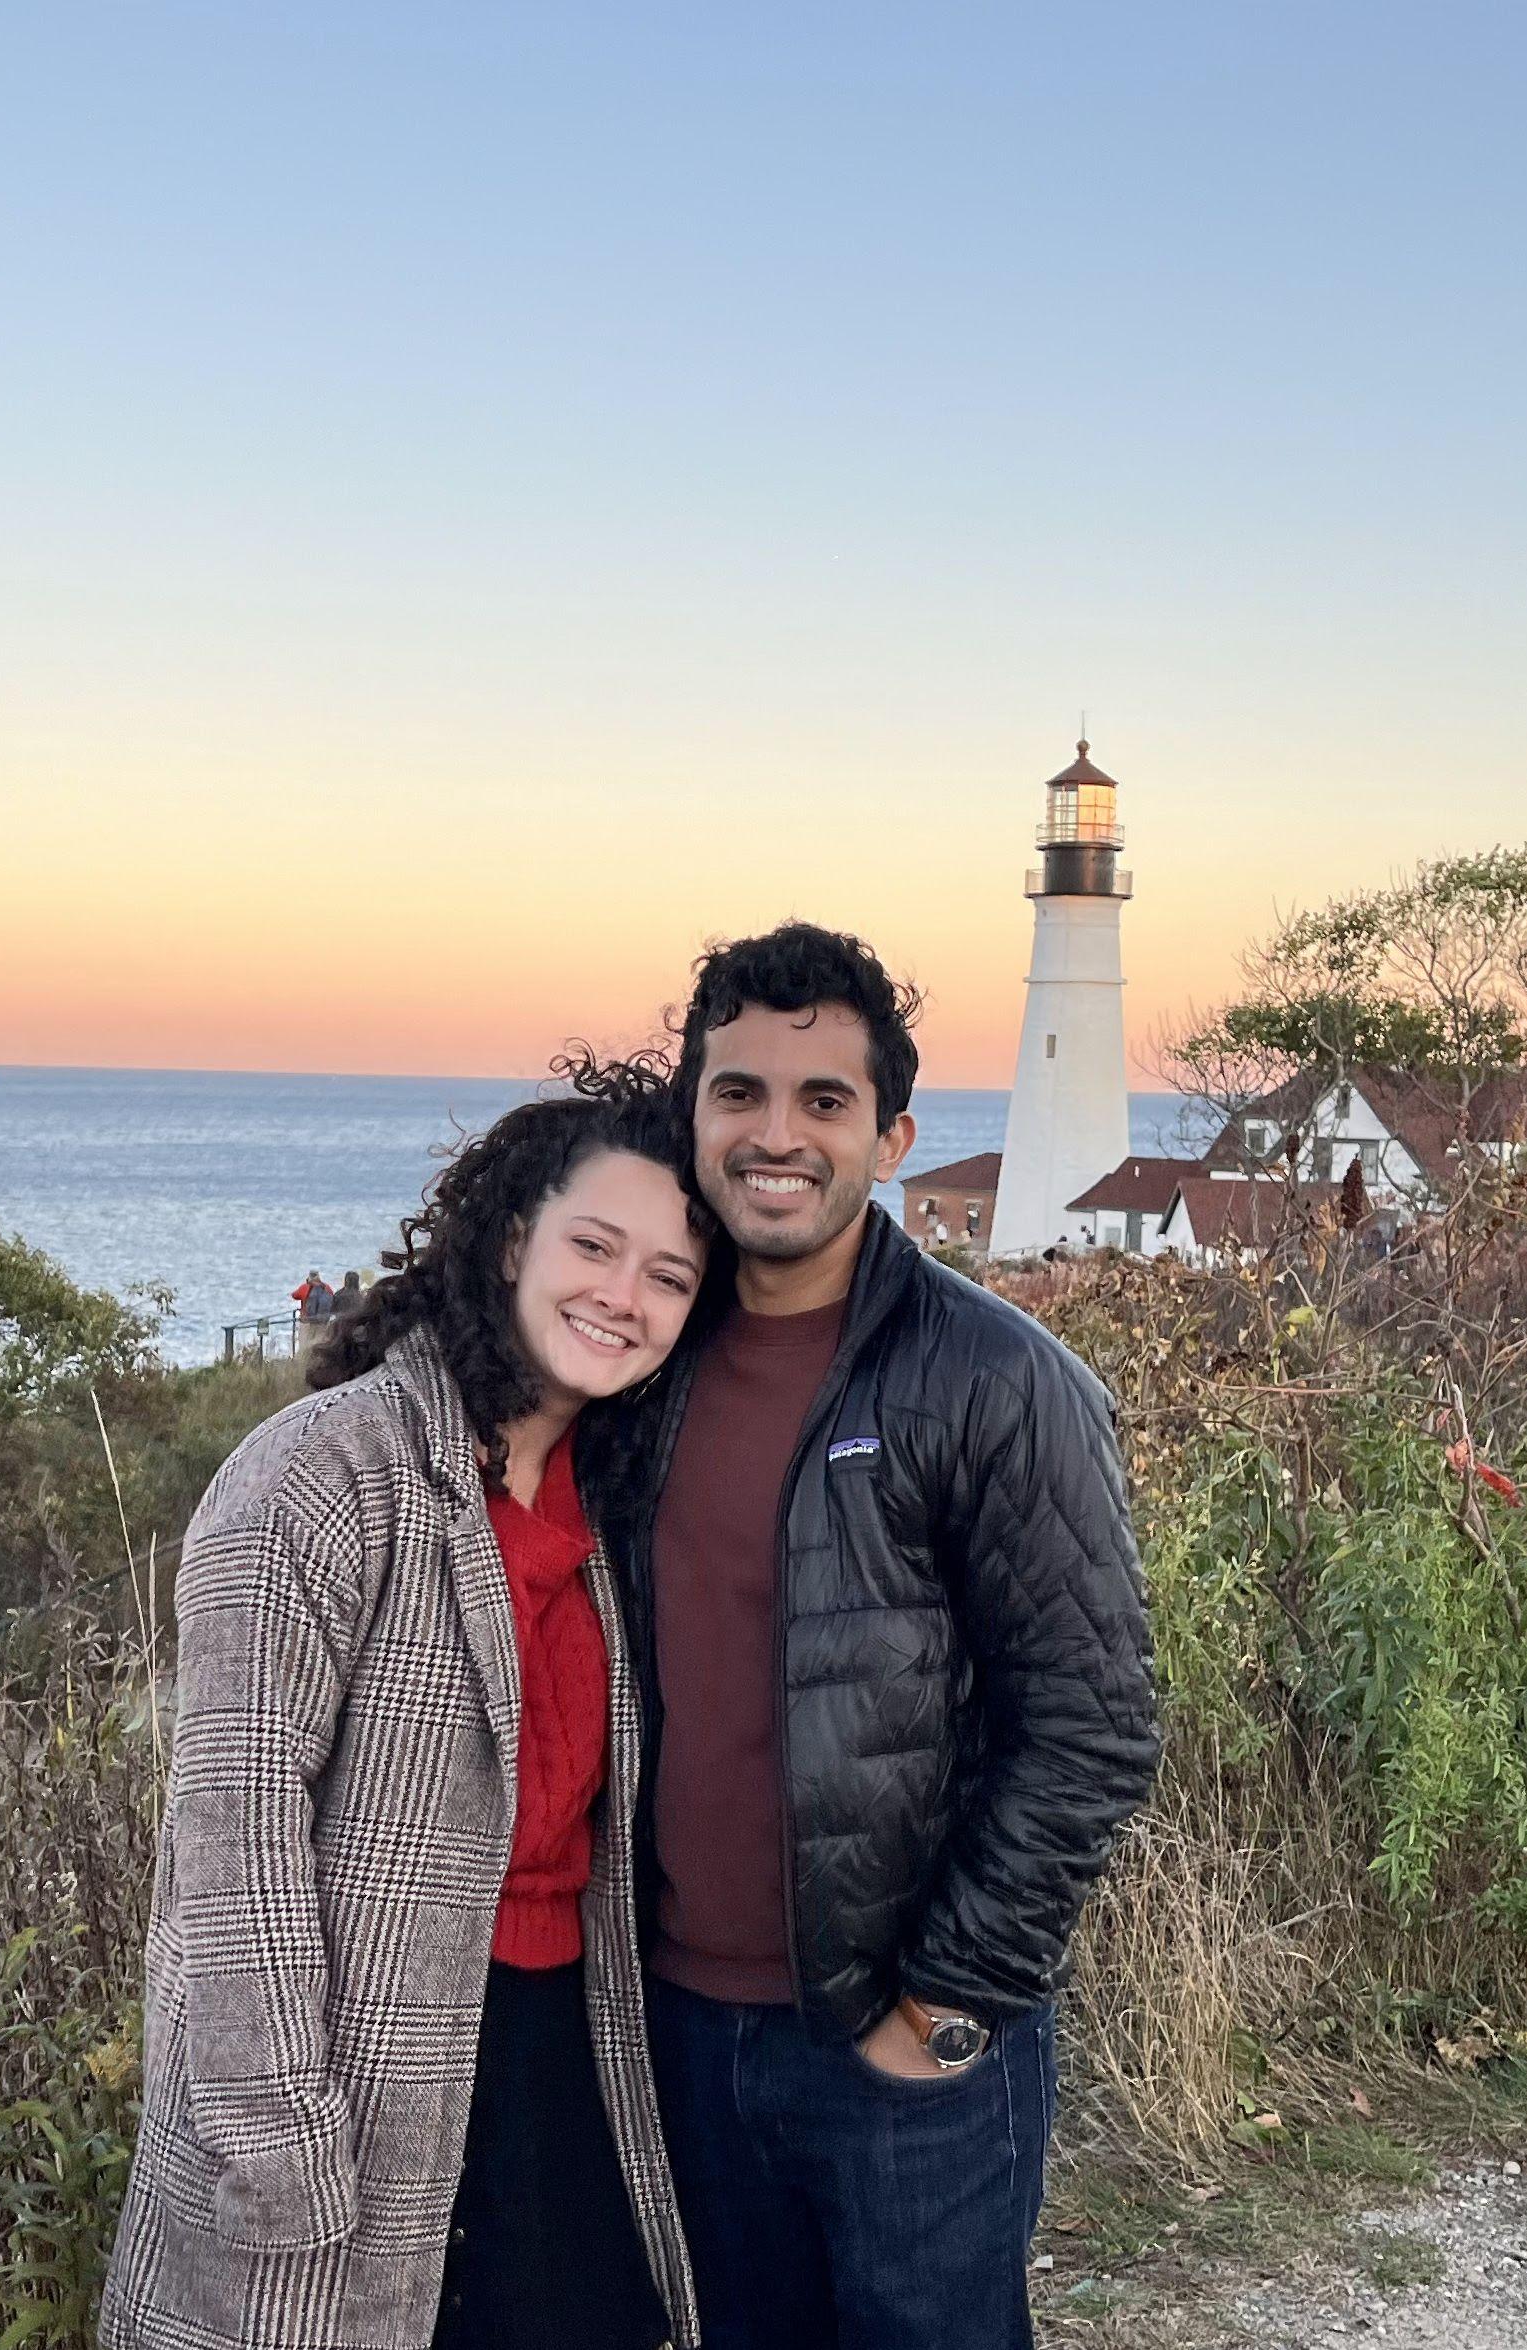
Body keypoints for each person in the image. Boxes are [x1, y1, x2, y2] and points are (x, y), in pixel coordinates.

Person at [587, 922, 1159, 2350]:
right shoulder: (637, 1363)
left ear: (890, 1139)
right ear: (693, 1116)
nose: (777, 1135)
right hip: (677, 2028)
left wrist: (947, 2002)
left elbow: (1092, 1725)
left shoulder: (998, 1377)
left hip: (901, 2047)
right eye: (739, 1093)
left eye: (824, 1100)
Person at [106, 1064, 713, 2350]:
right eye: (594, 1246)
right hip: (356, 2070)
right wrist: (278, 2136)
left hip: (566, 2058)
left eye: (669, 1274)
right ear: (511, 1241)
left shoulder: (617, 1505)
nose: (624, 1294)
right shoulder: (323, 1471)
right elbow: (235, 1837)